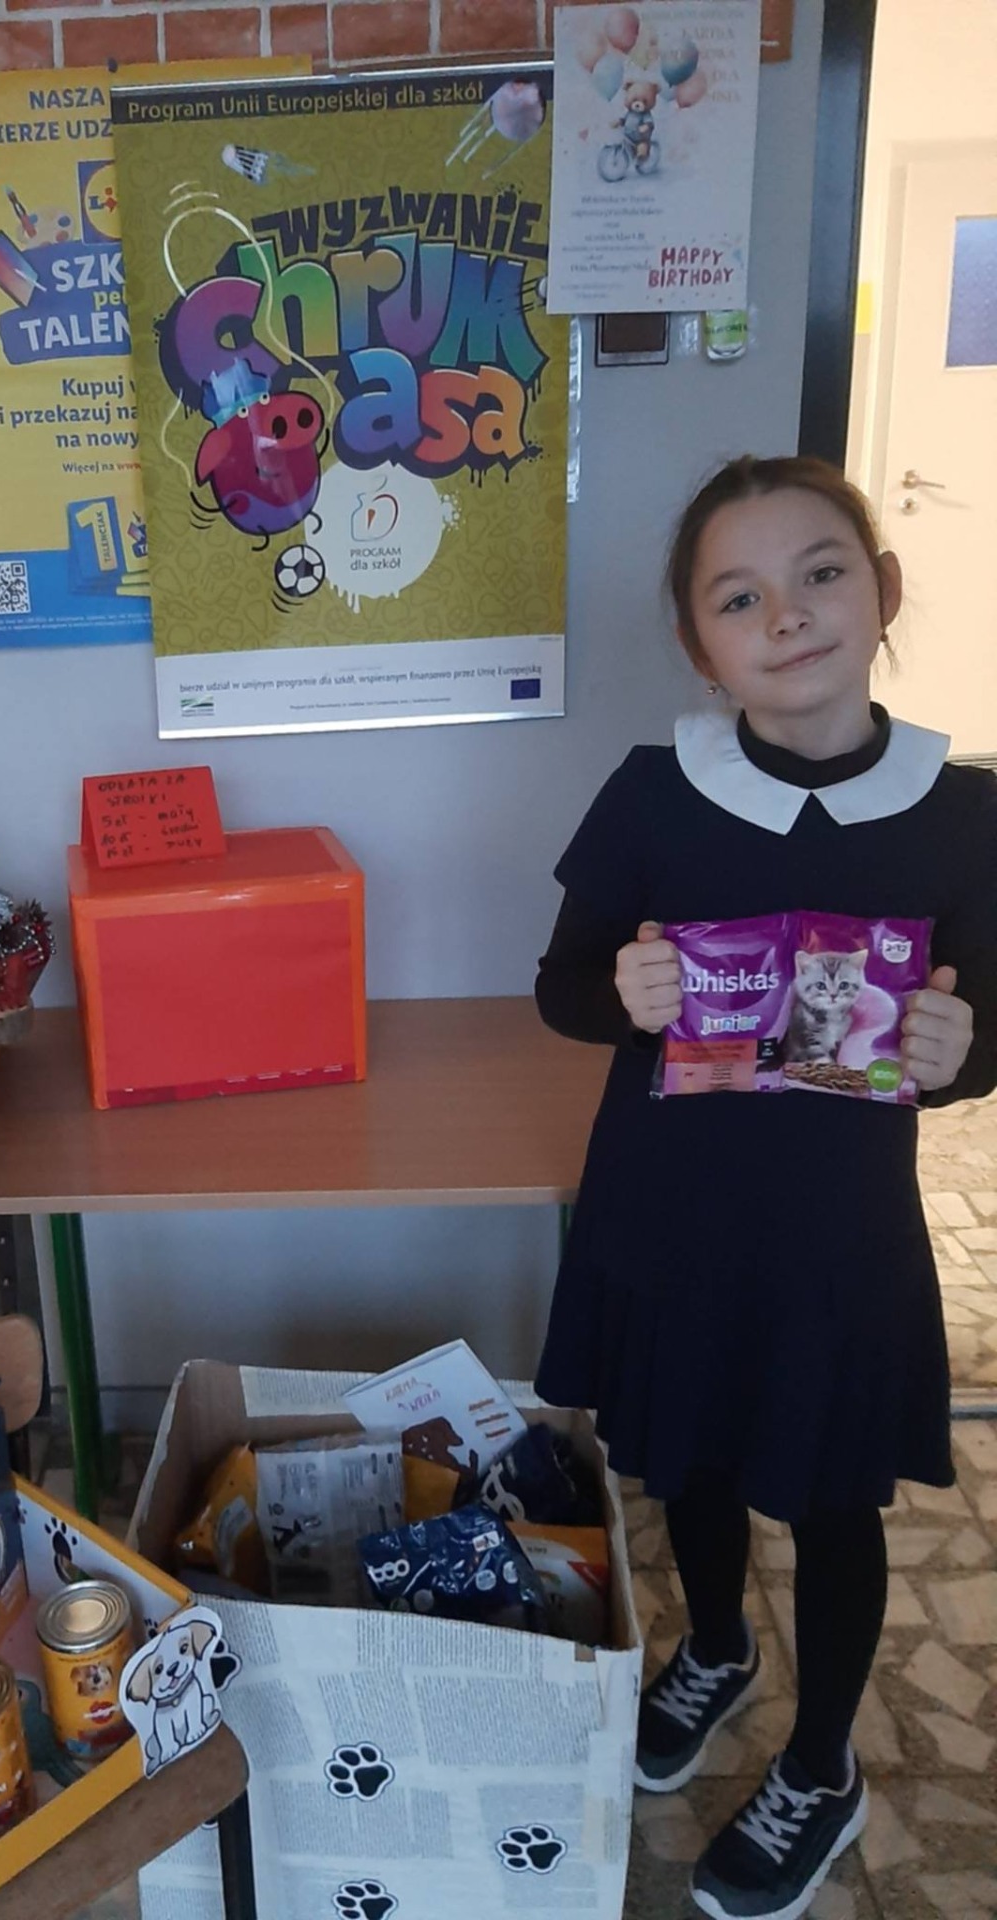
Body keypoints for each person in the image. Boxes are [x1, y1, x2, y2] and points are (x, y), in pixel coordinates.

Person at [533, 454, 997, 1920]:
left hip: (837, 1240)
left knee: (836, 1497)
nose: (785, 616)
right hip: (668, 1213)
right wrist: (622, 992)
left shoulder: (966, 813)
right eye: (739, 598)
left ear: (885, 591)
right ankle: (720, 1644)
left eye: (821, 574)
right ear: (699, 645)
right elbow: (561, 986)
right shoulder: (656, 795)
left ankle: (821, 1762)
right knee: (694, 1462)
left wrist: (963, 1052)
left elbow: (990, 1025)